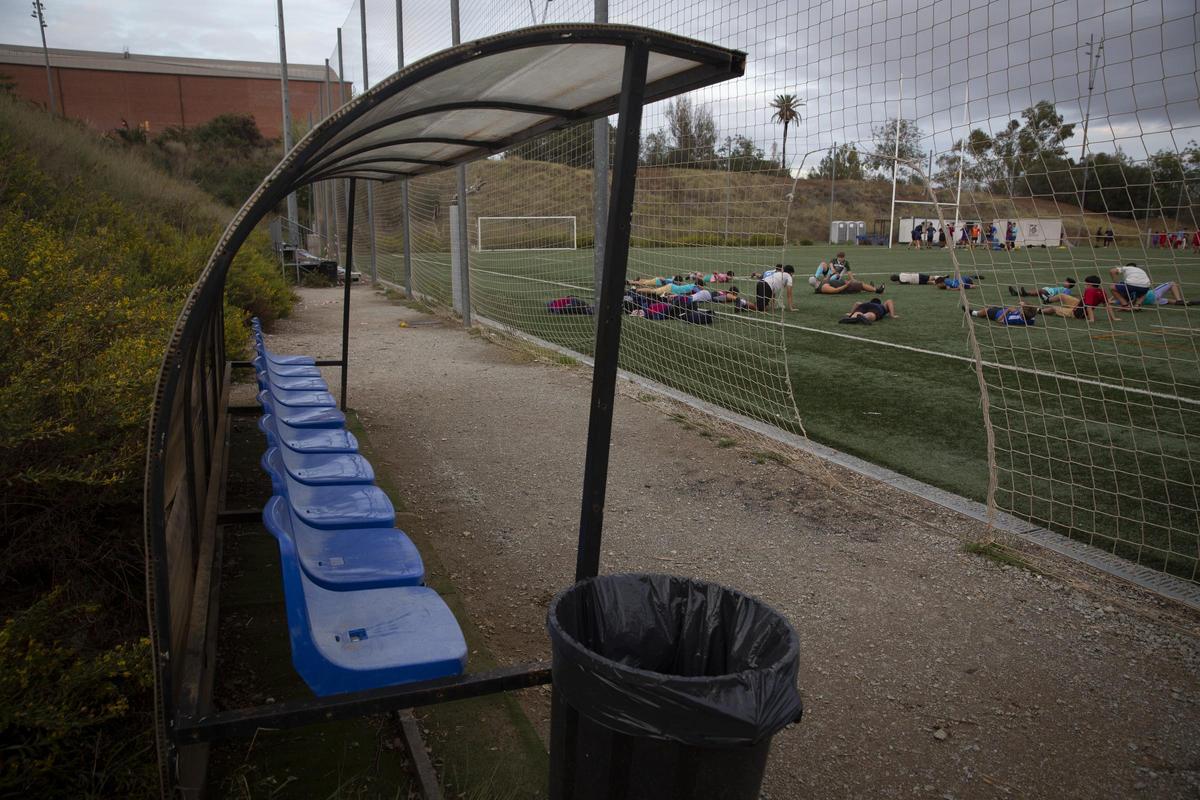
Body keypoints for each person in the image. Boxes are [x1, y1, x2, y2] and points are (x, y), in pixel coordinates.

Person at [1009, 277, 1076, 301]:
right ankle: (1016, 293)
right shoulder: (1063, 288)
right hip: (1049, 290)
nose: (1064, 282)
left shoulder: (1068, 290)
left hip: (1050, 293)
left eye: (1066, 282)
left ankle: (1025, 293)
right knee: (1035, 292)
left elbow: (1065, 297)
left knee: (1039, 291)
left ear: (1070, 285)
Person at [968, 304, 1037, 326]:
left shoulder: (1012, 319)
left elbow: (999, 320)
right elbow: (1030, 311)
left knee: (986, 310)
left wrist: (1008, 310)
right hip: (1003, 311)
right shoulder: (1031, 318)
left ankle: (973, 313)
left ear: (1022, 314)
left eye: (1022, 309)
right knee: (992, 307)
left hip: (997, 314)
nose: (1020, 308)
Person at [814, 276, 885, 294]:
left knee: (859, 284)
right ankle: (878, 290)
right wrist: (846, 285)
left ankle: (871, 288)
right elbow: (836, 290)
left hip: (845, 285)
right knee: (861, 285)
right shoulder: (824, 287)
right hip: (846, 287)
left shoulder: (821, 285)